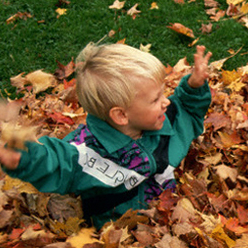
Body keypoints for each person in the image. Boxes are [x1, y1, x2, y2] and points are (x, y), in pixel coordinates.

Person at [0, 43, 212, 229]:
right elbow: (55, 161)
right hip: (119, 232)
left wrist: (193, 87)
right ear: (121, 115)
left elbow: (186, 110)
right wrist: (23, 156)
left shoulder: (163, 122)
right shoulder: (85, 152)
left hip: (168, 210)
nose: (166, 102)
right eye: (155, 99)